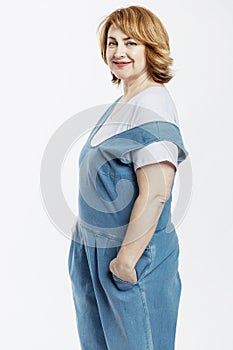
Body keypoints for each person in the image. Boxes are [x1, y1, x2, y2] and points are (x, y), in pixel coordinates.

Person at [68, 5, 189, 350]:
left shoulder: (153, 106)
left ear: (151, 47)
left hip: (132, 260)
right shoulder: (124, 102)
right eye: (112, 43)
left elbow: (156, 194)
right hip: (95, 257)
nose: (119, 52)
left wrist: (124, 262)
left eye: (131, 43)